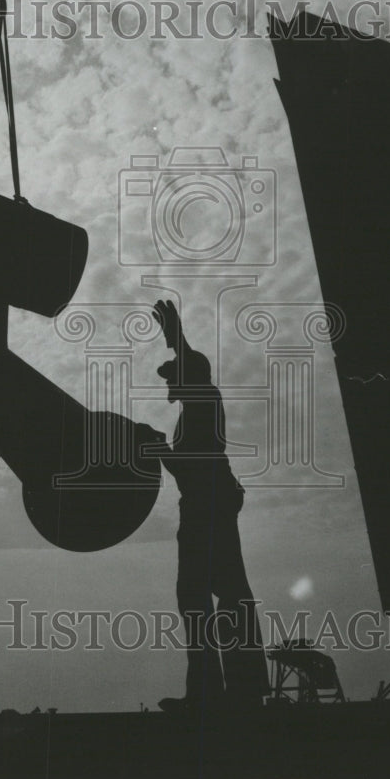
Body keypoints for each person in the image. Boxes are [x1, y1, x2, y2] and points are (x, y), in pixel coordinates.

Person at [151, 299, 269, 714]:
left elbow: (188, 467)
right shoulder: (195, 406)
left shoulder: (202, 399)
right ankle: (238, 687)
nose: (168, 387)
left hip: (207, 505)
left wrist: (156, 446)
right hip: (208, 503)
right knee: (220, 593)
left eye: (171, 379)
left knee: (201, 595)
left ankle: (217, 692)